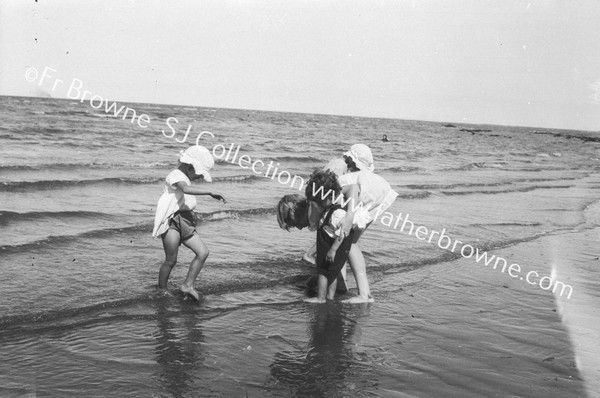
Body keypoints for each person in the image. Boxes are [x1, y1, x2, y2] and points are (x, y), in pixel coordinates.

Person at [152, 145, 227, 302]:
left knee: (203, 252)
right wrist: (209, 193)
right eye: (198, 173)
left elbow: (184, 201)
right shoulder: (175, 174)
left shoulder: (184, 175)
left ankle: (188, 285)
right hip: (172, 221)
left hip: (185, 221)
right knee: (171, 260)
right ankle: (162, 290)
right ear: (189, 166)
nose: (200, 177)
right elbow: (185, 190)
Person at [335, 144, 398, 303]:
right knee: (349, 241)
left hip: (365, 193)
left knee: (348, 242)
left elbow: (352, 189)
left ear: (353, 162)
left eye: (349, 160)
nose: (347, 164)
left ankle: (363, 294)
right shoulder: (367, 175)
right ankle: (343, 285)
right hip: (381, 191)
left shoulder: (347, 179)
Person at [303, 170, 355, 303]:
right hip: (330, 244)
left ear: (330, 197)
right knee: (332, 274)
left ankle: (321, 298)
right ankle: (330, 297)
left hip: (332, 246)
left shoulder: (337, 213)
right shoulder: (330, 208)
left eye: (320, 201)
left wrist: (333, 250)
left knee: (323, 272)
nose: (319, 205)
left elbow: (342, 233)